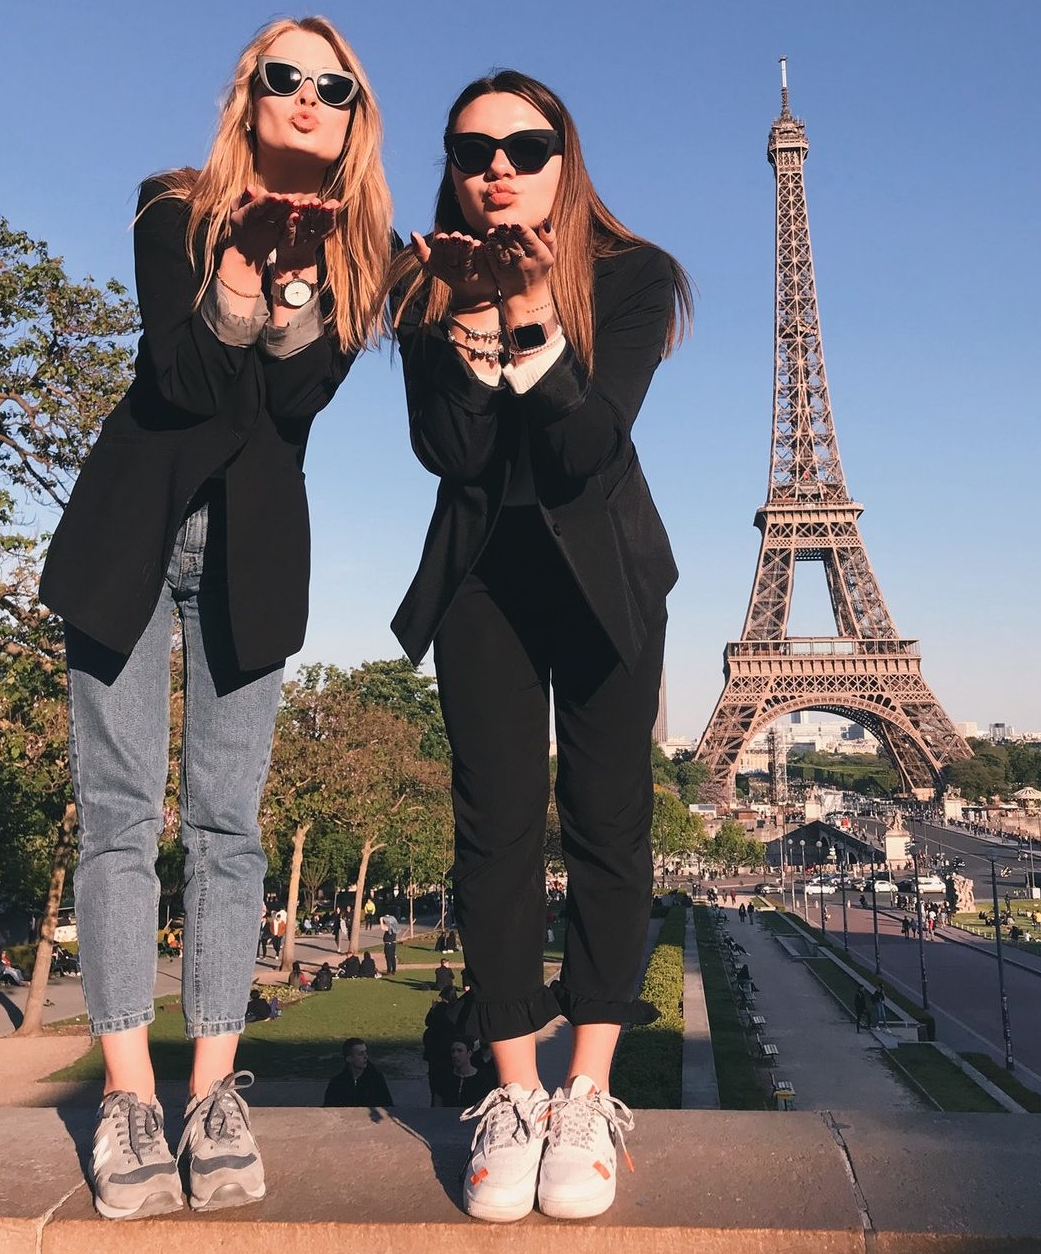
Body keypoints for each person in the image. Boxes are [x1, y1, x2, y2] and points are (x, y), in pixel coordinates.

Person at [36, 15, 392, 1221]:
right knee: (122, 817)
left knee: (229, 826)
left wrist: (293, 282)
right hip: (133, 531)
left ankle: (214, 1092)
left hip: (251, 547)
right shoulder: (170, 207)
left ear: (353, 114)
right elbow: (183, 382)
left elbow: (290, 405)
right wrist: (236, 273)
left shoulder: (367, 255)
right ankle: (130, 1093)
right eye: (282, 76)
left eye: (330, 84)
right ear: (250, 95)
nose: (306, 96)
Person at [388, 70, 690, 1224]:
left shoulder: (632, 276)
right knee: (495, 829)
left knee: (611, 822)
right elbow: (450, 455)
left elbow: (585, 446)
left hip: (606, 574)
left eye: (525, 143)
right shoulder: (424, 287)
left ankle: (587, 1093)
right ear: (454, 169)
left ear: (567, 157)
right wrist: (469, 311)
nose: (498, 165)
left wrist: (529, 317)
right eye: (474, 149)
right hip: (482, 582)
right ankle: (514, 1095)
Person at [322, 1038, 394, 1108]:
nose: (366, 1056)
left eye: (365, 1052)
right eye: (360, 1054)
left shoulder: (376, 1079)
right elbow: (328, 1110)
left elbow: (388, 1107)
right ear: (349, 1058)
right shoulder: (337, 1083)